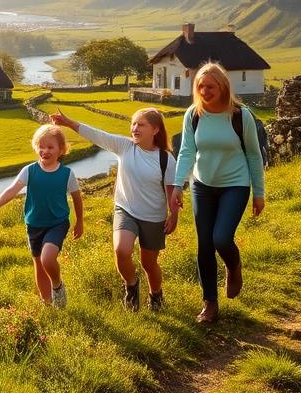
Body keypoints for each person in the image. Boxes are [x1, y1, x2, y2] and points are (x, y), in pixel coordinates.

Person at [51, 107, 178, 311]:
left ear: (155, 130)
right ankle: (131, 286)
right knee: (121, 250)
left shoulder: (166, 159)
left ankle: (156, 295)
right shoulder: (125, 146)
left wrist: (174, 215)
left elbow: (171, 191)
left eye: (141, 124)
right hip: (125, 209)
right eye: (133, 124)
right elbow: (97, 135)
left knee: (149, 264)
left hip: (154, 216)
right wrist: (68, 123)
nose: (134, 128)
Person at [171, 62, 265, 324]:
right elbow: (187, 151)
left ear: (223, 86)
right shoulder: (193, 114)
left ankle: (234, 267)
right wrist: (178, 185)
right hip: (202, 185)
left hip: (235, 185)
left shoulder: (240, 116)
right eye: (200, 86)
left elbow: (254, 155)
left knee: (221, 238)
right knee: (204, 244)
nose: (204, 91)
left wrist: (259, 192)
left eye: (210, 86)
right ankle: (209, 303)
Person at [0, 123, 84, 307]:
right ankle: (47, 303)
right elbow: (12, 189)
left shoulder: (67, 174)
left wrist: (80, 222)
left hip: (57, 223)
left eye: (50, 147)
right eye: (41, 146)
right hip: (34, 224)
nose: (45, 151)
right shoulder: (30, 170)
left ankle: (57, 285)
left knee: (47, 258)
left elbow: (77, 198)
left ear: (61, 149)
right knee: (38, 263)